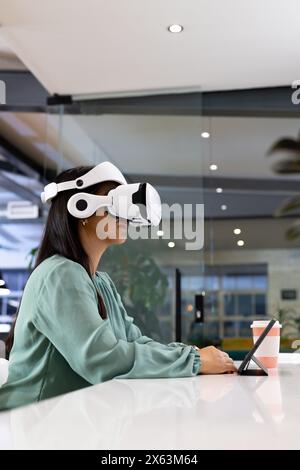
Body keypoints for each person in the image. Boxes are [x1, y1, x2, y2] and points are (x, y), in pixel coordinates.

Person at [0, 162, 236, 410]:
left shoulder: (100, 282)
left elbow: (134, 341)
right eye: (114, 202)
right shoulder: (60, 274)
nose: (125, 214)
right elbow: (102, 359)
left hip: (68, 420)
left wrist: (192, 354)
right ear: (80, 208)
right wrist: (195, 360)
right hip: (30, 424)